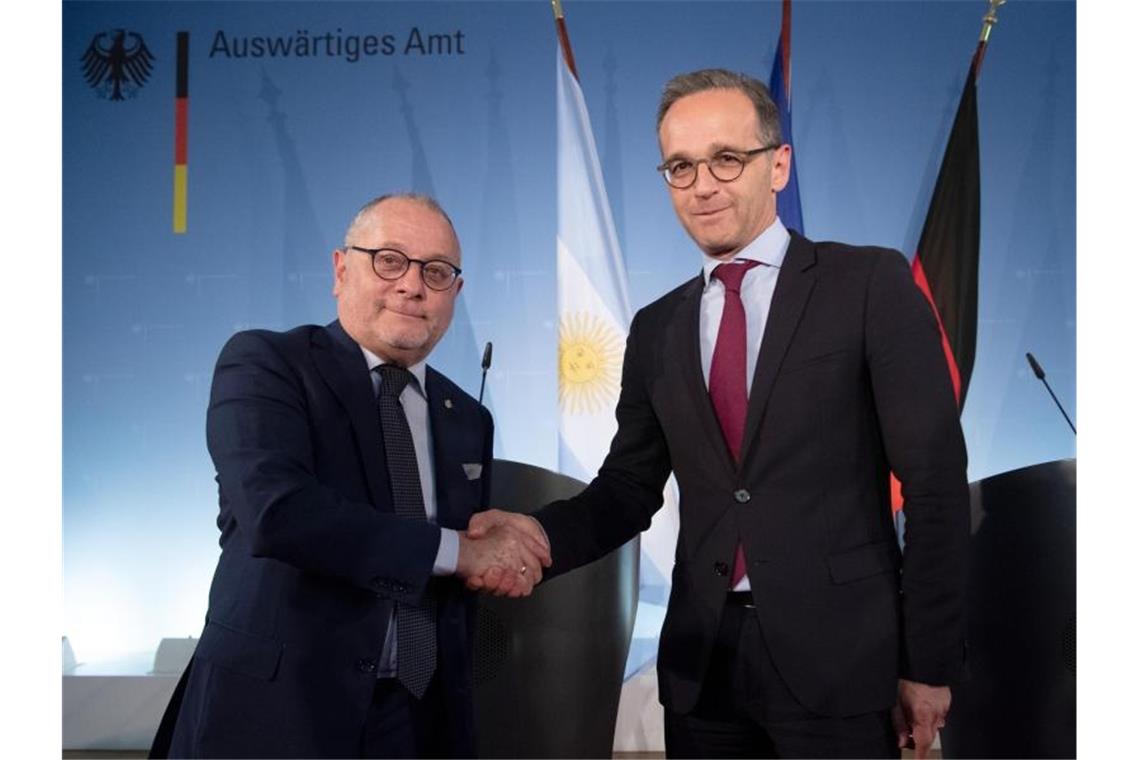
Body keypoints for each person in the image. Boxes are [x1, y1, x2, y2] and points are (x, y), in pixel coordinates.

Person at [469, 69, 969, 759]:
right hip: (703, 670)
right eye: (680, 166)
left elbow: (936, 484)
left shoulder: (868, 286)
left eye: (726, 159)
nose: (702, 184)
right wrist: (535, 536)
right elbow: (627, 490)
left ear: (779, 165)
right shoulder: (655, 328)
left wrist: (929, 662)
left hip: (844, 666)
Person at [151, 193, 550, 759]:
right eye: (389, 260)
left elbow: (452, 570)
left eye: (436, 272)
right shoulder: (267, 364)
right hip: (275, 717)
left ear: (454, 295)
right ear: (341, 269)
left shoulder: (468, 418)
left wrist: (501, 552)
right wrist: (460, 551)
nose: (413, 285)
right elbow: (279, 514)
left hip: (420, 721)